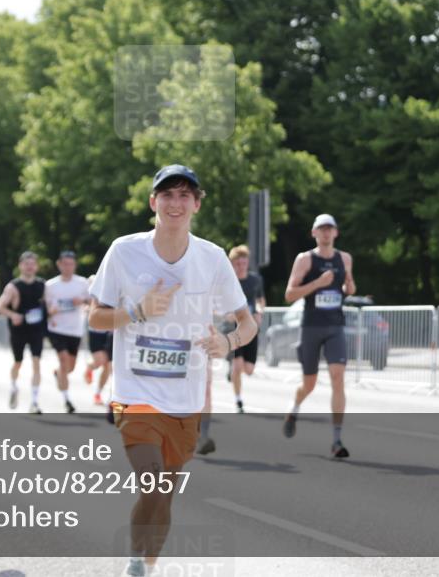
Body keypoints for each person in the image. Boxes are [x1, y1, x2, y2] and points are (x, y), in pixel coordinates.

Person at [89, 164, 257, 577]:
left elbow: (247, 322)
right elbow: (95, 317)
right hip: (135, 393)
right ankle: (134, 566)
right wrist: (137, 311)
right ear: (153, 203)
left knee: (163, 495)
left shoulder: (212, 258)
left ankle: (146, 562)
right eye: (167, 195)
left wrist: (228, 342)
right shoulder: (124, 251)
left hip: (186, 399)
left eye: (184, 195)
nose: (175, 203)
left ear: (196, 204)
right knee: (150, 483)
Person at [281, 214, 357, 459]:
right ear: (314, 233)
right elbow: (290, 294)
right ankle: (294, 409)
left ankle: (337, 440)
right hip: (311, 327)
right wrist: (317, 283)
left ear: (336, 233)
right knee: (310, 384)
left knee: (338, 376)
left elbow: (348, 289)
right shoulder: (305, 260)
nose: (326, 233)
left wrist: (350, 285)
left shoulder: (344, 258)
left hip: (335, 326)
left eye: (330, 229)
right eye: (321, 229)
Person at [0, 251, 47, 413]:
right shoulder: (13, 286)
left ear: (37, 266)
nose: (30, 267)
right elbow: (0, 306)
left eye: (32, 264)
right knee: (18, 362)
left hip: (36, 329)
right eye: (26, 264)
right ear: (20, 265)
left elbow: (48, 305)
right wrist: (13, 315)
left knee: (36, 361)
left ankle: (34, 401)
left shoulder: (42, 285)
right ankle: (13, 387)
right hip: (19, 329)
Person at [45, 250, 90, 413]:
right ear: (59, 264)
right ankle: (67, 400)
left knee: (69, 368)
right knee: (64, 361)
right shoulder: (50, 285)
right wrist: (51, 311)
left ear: (75, 265)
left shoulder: (82, 283)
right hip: (56, 328)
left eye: (71, 264)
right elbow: (45, 307)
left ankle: (58, 373)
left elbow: (92, 301)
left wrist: (83, 301)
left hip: (75, 330)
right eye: (65, 264)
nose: (68, 267)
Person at [226, 245, 265, 412]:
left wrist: (259, 312)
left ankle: (233, 372)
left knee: (248, 370)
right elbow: (218, 304)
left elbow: (260, 300)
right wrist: (227, 314)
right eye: (238, 263)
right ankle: (238, 400)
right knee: (238, 366)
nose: (242, 266)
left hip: (251, 327)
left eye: (244, 263)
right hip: (233, 328)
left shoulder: (255, 280)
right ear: (233, 264)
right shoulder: (228, 281)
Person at [84, 274, 113, 406]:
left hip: (109, 332)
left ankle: (98, 393)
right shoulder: (93, 293)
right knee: (100, 361)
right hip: (95, 332)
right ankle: (90, 367)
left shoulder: (113, 291)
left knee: (108, 366)